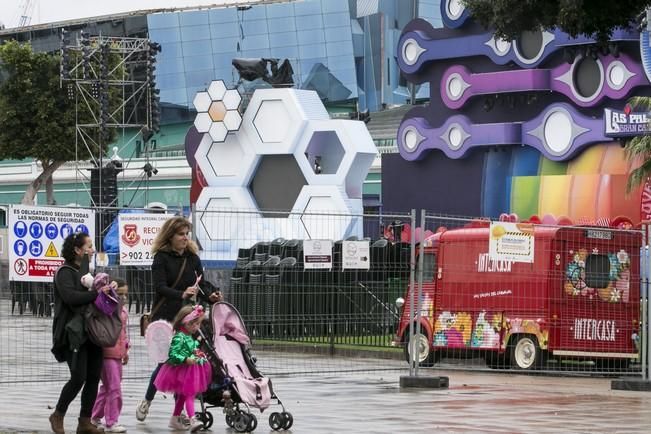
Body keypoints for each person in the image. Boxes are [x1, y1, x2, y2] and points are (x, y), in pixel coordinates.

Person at [136, 216, 222, 424]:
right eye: (181, 234)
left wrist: (210, 295)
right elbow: (160, 287)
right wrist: (181, 294)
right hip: (165, 317)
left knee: (186, 363)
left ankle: (178, 412)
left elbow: (201, 283)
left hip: (187, 318)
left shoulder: (192, 257)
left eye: (187, 234)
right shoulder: (161, 258)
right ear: (170, 236)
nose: (185, 238)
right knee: (167, 361)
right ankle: (147, 399)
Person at [49, 232, 112, 434]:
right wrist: (96, 293)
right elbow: (70, 297)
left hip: (92, 330)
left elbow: (95, 296)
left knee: (93, 376)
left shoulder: (88, 270)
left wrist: (111, 288)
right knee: (78, 377)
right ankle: (58, 414)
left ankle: (85, 421)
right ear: (77, 250)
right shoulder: (64, 272)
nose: (92, 250)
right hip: (72, 332)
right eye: (89, 246)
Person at [154, 304, 212, 431]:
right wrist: (186, 359)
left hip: (191, 370)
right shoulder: (179, 337)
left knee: (183, 395)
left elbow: (191, 348)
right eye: (195, 324)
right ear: (186, 323)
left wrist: (197, 352)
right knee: (189, 394)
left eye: (198, 324)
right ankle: (192, 420)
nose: (197, 327)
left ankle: (175, 419)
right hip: (181, 370)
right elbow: (173, 354)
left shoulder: (188, 336)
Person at [91, 278, 130, 433]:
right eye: (120, 294)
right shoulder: (105, 307)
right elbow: (98, 282)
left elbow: (124, 332)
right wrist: (105, 290)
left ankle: (94, 417)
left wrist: (126, 350)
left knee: (108, 387)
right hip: (107, 351)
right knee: (114, 387)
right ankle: (112, 422)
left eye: (125, 295)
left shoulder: (123, 310)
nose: (124, 298)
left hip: (118, 353)